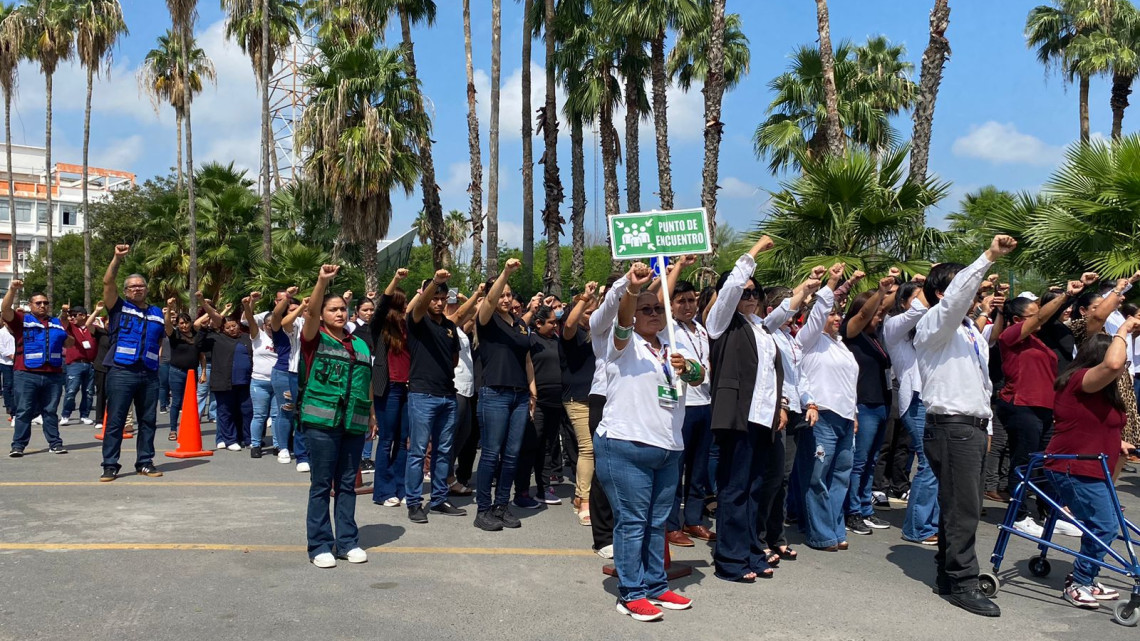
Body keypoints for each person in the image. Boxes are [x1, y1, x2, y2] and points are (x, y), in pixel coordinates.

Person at [913, 234, 1017, 617]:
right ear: (942, 293)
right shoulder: (934, 325)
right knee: (964, 509)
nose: (976, 296)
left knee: (959, 505)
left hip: (970, 425)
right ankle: (962, 581)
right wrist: (988, 256)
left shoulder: (970, 332)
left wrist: (986, 428)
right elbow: (958, 297)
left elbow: (981, 384)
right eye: (966, 289)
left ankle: (948, 573)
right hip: (951, 426)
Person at [595, 261, 702, 621]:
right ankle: (631, 593)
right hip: (626, 444)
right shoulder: (621, 344)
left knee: (658, 523)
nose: (654, 313)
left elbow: (701, 377)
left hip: (668, 448)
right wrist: (632, 289)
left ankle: (656, 586)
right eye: (647, 309)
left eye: (659, 308)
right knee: (633, 521)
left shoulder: (673, 347)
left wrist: (689, 368)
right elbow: (623, 320)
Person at [706, 236, 786, 581]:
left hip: (762, 418)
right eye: (744, 292)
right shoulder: (722, 321)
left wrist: (819, 286)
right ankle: (730, 559)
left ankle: (751, 550)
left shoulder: (762, 329)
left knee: (756, 488)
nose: (749, 297)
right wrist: (753, 253)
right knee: (735, 489)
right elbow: (733, 287)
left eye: (755, 293)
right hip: (738, 417)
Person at [1046, 321, 1139, 608]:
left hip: (1097, 469)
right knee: (1104, 525)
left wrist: (1118, 443)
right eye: (1121, 359)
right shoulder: (1078, 381)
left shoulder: (1105, 394)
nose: (1123, 367)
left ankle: (1088, 576)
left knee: (1108, 525)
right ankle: (1079, 582)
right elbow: (1111, 365)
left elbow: (1101, 425)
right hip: (1073, 467)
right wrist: (1123, 330)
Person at [997, 276, 1093, 538]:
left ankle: (1049, 511)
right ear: (1019, 320)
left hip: (1045, 408)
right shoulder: (1011, 336)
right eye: (1031, 314)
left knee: (1048, 462)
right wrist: (1065, 295)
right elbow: (1040, 319)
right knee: (1024, 461)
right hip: (1022, 405)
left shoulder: (1039, 341)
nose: (1038, 317)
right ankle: (1018, 514)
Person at [299, 264, 376, 568]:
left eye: (343, 309)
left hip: (353, 423)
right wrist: (321, 281)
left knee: (347, 484)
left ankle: (346, 541)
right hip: (321, 423)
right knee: (321, 484)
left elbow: (365, 380)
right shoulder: (313, 337)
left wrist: (371, 415)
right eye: (333, 309)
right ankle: (319, 544)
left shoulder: (359, 343)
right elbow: (311, 313)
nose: (339, 314)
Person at [760, 271, 822, 559]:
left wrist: (810, 402)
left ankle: (777, 535)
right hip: (778, 409)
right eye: (791, 306)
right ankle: (760, 536)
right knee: (770, 477)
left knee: (784, 477)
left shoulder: (790, 337)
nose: (795, 312)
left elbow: (800, 377)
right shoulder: (768, 331)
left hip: (796, 409)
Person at [797, 263, 859, 552]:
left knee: (841, 476)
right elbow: (820, 310)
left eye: (839, 314)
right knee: (817, 476)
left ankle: (835, 528)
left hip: (845, 418)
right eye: (832, 313)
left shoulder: (842, 346)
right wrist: (832, 282)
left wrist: (855, 414)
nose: (836, 317)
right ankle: (820, 532)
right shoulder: (809, 340)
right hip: (821, 416)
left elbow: (849, 383)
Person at [657, 256, 716, 548]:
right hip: (681, 405)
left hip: (704, 402)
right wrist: (677, 266)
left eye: (692, 300)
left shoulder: (701, 330)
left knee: (699, 467)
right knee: (676, 468)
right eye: (681, 301)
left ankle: (694, 518)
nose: (688, 306)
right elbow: (662, 300)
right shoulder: (667, 328)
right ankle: (670, 524)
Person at [99, 244, 166, 482]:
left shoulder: (158, 312)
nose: (137, 289)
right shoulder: (118, 307)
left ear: (147, 290)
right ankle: (109, 464)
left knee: (148, 420)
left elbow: (160, 339)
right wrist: (116, 259)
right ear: (126, 291)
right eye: (132, 286)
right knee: (116, 420)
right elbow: (108, 283)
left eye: (141, 286)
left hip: (148, 373)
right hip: (121, 370)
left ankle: (145, 462)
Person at [474, 258, 531, 530]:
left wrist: (532, 391)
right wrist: (505, 272)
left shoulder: (519, 324)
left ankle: (502, 505)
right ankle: (483, 509)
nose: (506, 298)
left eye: (510, 294)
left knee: (512, 455)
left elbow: (527, 359)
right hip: (494, 393)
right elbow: (488, 303)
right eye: (502, 294)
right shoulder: (486, 319)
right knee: (490, 453)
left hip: (519, 395)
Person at [406, 269, 466, 523]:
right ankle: (414, 502)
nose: (439, 302)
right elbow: (418, 306)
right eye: (434, 298)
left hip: (447, 395)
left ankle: (440, 498)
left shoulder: (450, 327)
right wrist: (434, 282)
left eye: (442, 298)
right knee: (418, 451)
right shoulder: (417, 321)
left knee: (444, 451)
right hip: (422, 394)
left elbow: (454, 359)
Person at [882, 281, 938, 545]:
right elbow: (916, 312)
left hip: (935, 400)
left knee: (937, 464)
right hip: (914, 401)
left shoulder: (927, 331)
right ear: (904, 302)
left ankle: (933, 523)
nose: (924, 304)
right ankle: (917, 527)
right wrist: (933, 287)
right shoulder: (893, 326)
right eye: (917, 298)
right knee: (927, 463)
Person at [842, 274, 897, 537]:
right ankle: (852, 511)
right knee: (859, 462)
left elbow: (885, 307)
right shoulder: (852, 333)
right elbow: (864, 314)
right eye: (877, 315)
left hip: (881, 404)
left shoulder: (877, 338)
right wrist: (880, 291)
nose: (879, 318)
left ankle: (865, 507)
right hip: (863, 405)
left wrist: (904, 287)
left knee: (872, 460)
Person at [363, 270, 411, 506]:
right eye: (402, 304)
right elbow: (381, 305)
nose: (406, 308)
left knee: (403, 441)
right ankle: (383, 491)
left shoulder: (407, 327)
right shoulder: (380, 326)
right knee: (387, 439)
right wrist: (395, 280)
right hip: (388, 387)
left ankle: (399, 487)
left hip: (407, 388)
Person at [3, 281, 68, 457]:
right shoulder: (21, 320)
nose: (42, 306)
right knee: (24, 411)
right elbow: (5, 310)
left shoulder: (56, 323)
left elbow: (69, 342)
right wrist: (12, 290)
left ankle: (55, 444)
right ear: (30, 305)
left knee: (50, 411)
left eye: (45, 303)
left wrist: (66, 331)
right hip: (26, 374)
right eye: (38, 303)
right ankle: (18, 446)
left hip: (53, 375)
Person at [516, 304, 566, 507]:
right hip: (537, 401)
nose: (555, 326)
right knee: (530, 445)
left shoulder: (557, 341)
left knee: (548, 446)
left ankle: (543, 488)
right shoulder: (531, 341)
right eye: (552, 322)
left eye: (556, 322)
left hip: (556, 402)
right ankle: (522, 491)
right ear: (538, 323)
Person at [196, 293, 260, 452]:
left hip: (245, 382)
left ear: (238, 325)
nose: (232, 329)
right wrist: (204, 329)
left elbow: (250, 320)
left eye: (234, 325)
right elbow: (198, 345)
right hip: (224, 382)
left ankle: (247, 438)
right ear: (222, 329)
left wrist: (250, 303)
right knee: (225, 412)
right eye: (228, 327)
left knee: (247, 411)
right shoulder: (216, 338)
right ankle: (229, 439)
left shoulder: (246, 338)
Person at [560, 282, 598, 526]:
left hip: (598, 397)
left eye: (595, 312)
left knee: (599, 449)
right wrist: (584, 298)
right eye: (587, 312)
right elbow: (570, 324)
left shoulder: (601, 332)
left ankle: (585, 496)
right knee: (588, 449)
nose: (591, 317)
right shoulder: (572, 333)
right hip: (576, 397)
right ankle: (583, 499)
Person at [269, 290, 310, 470]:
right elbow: (277, 314)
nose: (295, 311)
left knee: (300, 411)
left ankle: (299, 449)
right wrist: (287, 300)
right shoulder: (280, 326)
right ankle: (283, 447)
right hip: (284, 373)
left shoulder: (304, 324)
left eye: (297, 308)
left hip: (302, 372)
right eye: (290, 308)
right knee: (286, 410)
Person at [163, 308, 204, 441]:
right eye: (181, 323)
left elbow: (202, 356)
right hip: (176, 372)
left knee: (191, 403)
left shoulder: (197, 335)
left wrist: (203, 372)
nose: (184, 326)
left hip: (192, 373)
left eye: (186, 323)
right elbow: (167, 324)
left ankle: (189, 428)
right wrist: (169, 309)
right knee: (177, 402)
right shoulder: (174, 335)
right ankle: (173, 429)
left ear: (191, 323)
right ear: (178, 324)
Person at [60, 305, 97, 426]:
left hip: (90, 364)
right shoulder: (71, 327)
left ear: (83, 315)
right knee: (71, 390)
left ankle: (84, 415)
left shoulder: (91, 328)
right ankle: (65, 414)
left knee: (88, 391)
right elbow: (64, 320)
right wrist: (65, 311)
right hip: (75, 364)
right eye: (71, 315)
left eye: (75, 315)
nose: (72, 317)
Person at [248, 309, 278, 457]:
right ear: (264, 325)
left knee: (277, 415)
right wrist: (248, 306)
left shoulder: (285, 337)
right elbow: (250, 320)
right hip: (259, 382)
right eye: (268, 325)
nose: (271, 327)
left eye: (274, 324)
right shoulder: (258, 336)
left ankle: (278, 445)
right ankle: (255, 445)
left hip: (278, 383)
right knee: (259, 415)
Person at [0, 323, 14, 421]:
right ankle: (10, 408)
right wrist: (10, 355)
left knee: (16, 386)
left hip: (17, 362)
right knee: (8, 385)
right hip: (6, 362)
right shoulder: (1, 332)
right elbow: (1, 347)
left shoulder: (16, 331)